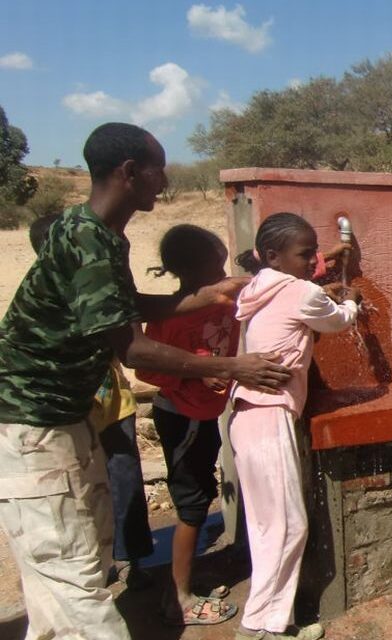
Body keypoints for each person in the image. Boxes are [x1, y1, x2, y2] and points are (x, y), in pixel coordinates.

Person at [0, 122, 289, 640]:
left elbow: (121, 306)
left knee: (72, 568)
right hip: (33, 423)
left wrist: (202, 297)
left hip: (62, 416)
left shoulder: (95, 232)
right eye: (158, 169)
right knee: (75, 588)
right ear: (130, 172)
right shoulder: (90, 238)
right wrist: (232, 367)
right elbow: (132, 347)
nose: (164, 180)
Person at [230, 212, 361, 640]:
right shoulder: (301, 292)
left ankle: (271, 620)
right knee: (287, 525)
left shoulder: (259, 285)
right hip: (270, 418)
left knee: (270, 523)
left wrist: (326, 279)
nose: (314, 261)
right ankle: (260, 625)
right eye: (306, 254)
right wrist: (351, 300)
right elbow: (337, 321)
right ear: (273, 255)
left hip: (247, 417)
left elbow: (304, 291)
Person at [29, 214, 155, 592]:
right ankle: (95, 565)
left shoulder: (97, 285)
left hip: (114, 403)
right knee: (80, 490)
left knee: (125, 482)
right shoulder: (45, 296)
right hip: (71, 412)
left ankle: (131, 560)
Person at [134, 224, 241, 626]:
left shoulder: (224, 303)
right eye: (217, 266)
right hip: (181, 415)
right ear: (192, 273)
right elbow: (144, 368)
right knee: (193, 504)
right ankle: (178, 599)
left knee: (200, 494)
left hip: (202, 415)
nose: (224, 272)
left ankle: (181, 582)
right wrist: (195, 376)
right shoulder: (170, 317)